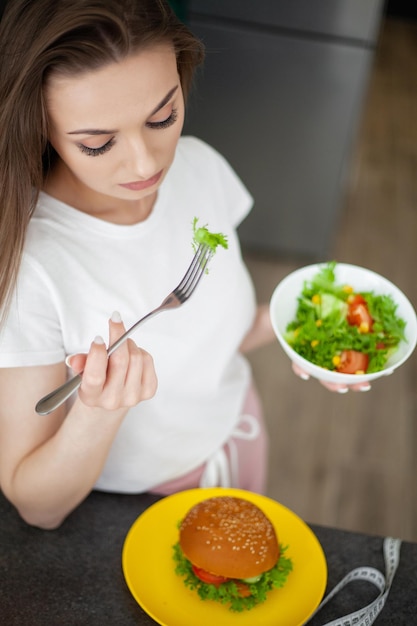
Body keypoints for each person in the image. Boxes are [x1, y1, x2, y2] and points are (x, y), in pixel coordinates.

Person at [0, 0, 368, 530]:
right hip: (133, 507)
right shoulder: (30, 266)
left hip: (234, 437)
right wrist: (99, 412)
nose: (148, 163)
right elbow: (37, 506)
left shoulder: (200, 167)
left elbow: (208, 339)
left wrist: (303, 331)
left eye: (163, 116)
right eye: (99, 144)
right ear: (40, 124)